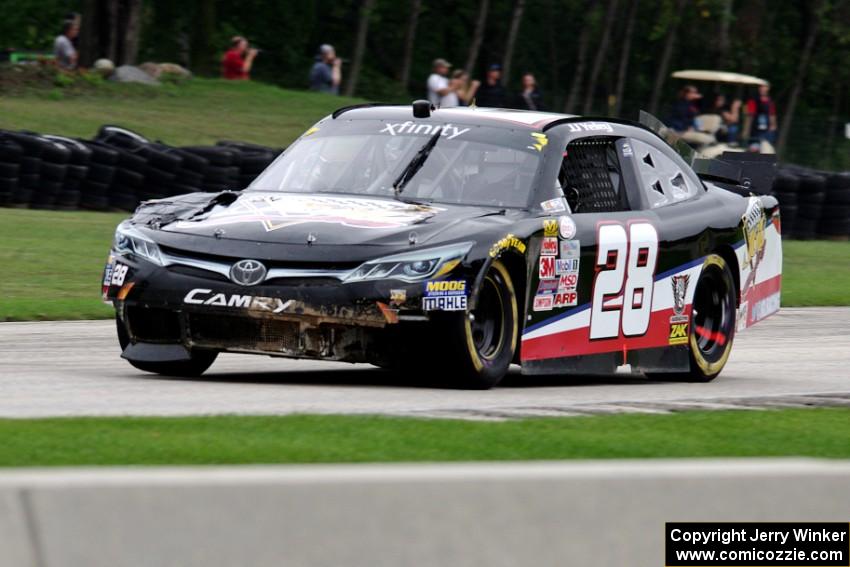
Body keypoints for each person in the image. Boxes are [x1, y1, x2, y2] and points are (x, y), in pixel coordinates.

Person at [744, 84, 778, 151]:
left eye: (764, 87)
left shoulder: (770, 102)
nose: (762, 89)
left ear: (768, 88)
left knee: (767, 149)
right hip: (755, 130)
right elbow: (749, 116)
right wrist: (746, 130)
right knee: (754, 149)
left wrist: (773, 126)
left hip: (767, 131)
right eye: (761, 87)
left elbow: (772, 115)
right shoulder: (753, 100)